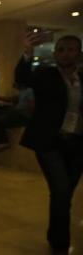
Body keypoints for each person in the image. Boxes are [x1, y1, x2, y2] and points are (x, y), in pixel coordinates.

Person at [21, 35, 83, 255]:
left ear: (79, 53)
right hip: (51, 143)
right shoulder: (47, 75)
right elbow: (23, 78)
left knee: (63, 196)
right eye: (62, 49)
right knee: (62, 190)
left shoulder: (81, 77)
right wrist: (28, 53)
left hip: (78, 143)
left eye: (72, 49)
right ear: (56, 53)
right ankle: (60, 245)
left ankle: (55, 234)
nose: (66, 53)